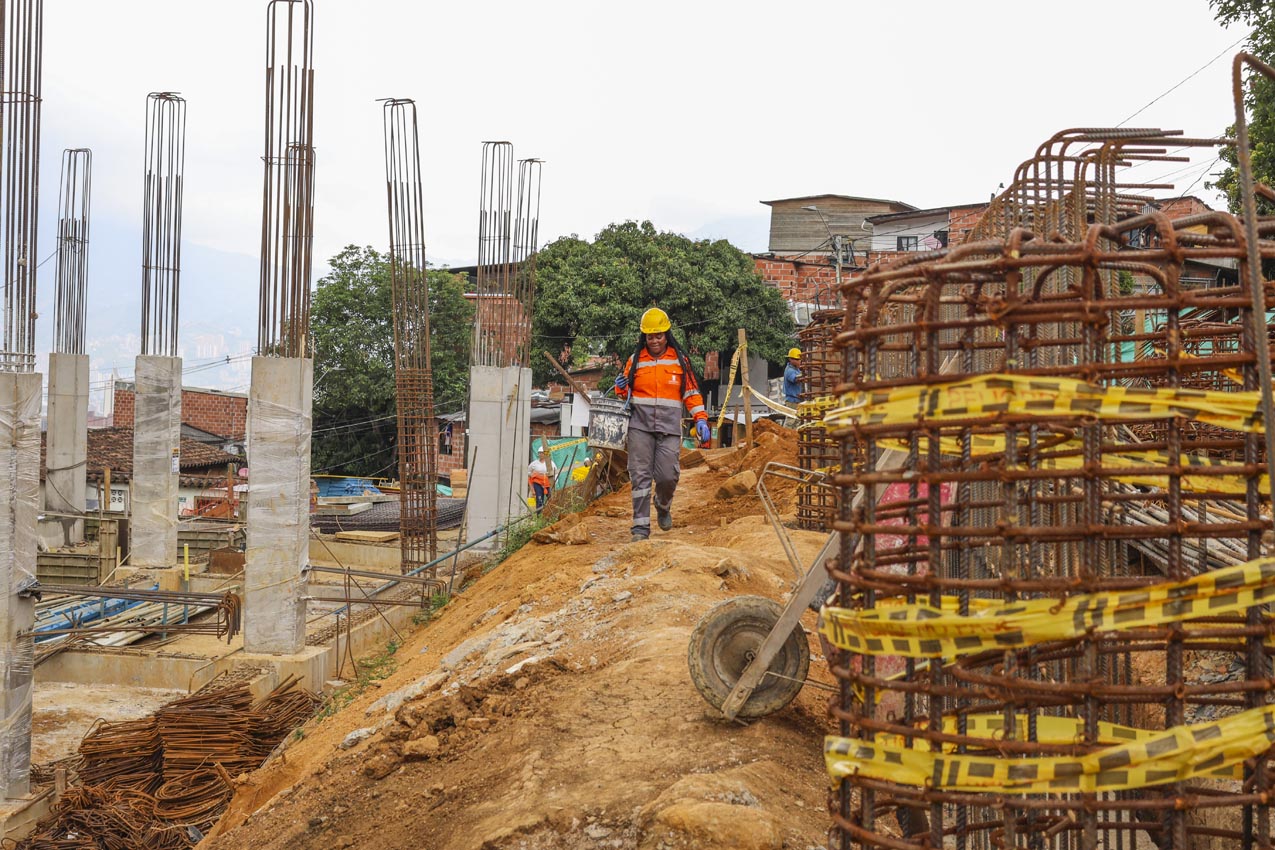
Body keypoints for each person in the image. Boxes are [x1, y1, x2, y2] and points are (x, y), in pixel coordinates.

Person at [614, 307, 710, 542]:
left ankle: (663, 504)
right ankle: (640, 529)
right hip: (640, 426)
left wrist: (701, 419)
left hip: (668, 427)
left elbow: (691, 392)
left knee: (668, 476)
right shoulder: (635, 361)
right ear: (644, 337)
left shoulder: (680, 361)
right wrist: (620, 386)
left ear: (666, 334)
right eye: (650, 336)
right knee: (640, 477)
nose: (654, 340)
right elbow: (623, 395)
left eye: (658, 335)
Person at [527, 445, 557, 511]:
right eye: (539, 453)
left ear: (545, 454)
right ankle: (539, 515)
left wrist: (554, 482)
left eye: (542, 453)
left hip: (548, 484)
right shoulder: (534, 464)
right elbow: (529, 474)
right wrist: (531, 487)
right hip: (537, 484)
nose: (540, 454)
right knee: (539, 500)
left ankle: (550, 513)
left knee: (550, 499)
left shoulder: (550, 463)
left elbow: (555, 473)